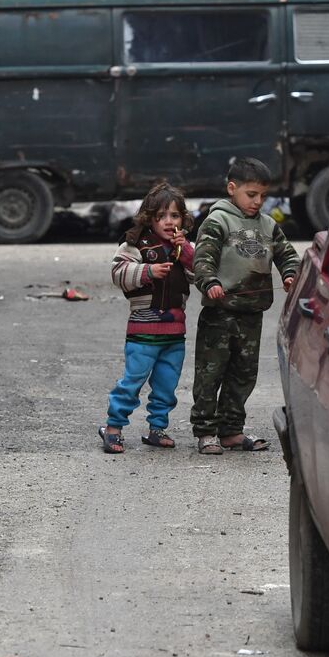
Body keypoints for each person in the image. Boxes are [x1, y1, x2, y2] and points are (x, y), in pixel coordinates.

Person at [190, 158, 299, 454]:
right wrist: (209, 282)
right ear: (232, 188)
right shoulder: (217, 221)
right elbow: (203, 259)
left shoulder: (268, 225)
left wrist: (290, 275)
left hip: (252, 313)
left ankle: (232, 430)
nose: (258, 202)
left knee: (244, 373)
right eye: (251, 195)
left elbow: (287, 255)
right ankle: (205, 431)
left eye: (263, 196)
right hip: (220, 312)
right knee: (211, 372)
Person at [99, 182, 195, 454]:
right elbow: (118, 274)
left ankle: (157, 428)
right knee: (132, 382)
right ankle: (113, 428)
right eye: (161, 216)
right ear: (149, 218)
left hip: (174, 334)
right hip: (143, 332)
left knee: (167, 385)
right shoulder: (135, 243)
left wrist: (186, 251)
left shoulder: (184, 247)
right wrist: (148, 271)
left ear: (182, 219)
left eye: (174, 216)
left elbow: (200, 274)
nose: (168, 221)